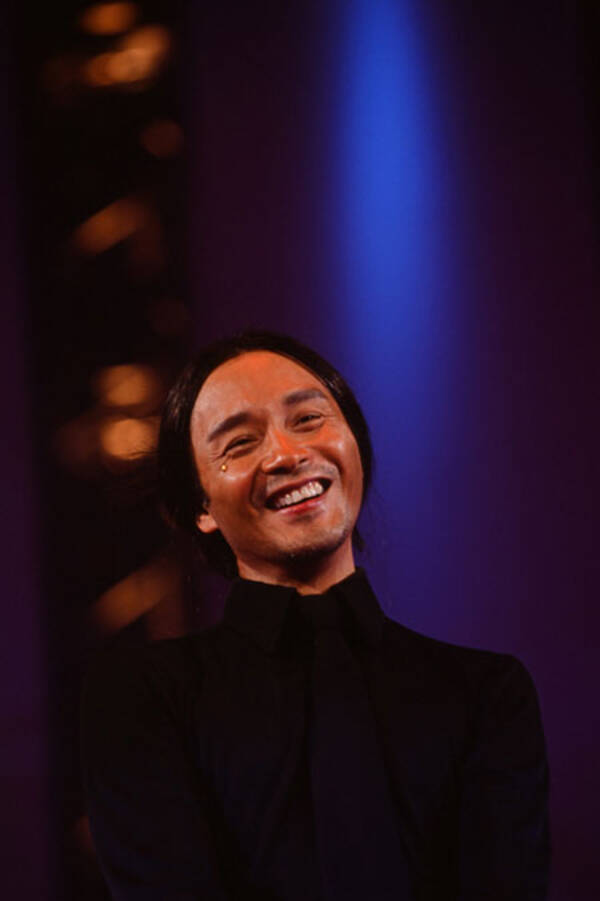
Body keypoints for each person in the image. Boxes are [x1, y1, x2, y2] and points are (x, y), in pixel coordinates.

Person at [81, 331, 551, 900]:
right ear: (201, 506)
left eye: (308, 419)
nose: (286, 454)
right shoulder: (146, 699)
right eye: (240, 443)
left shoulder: (485, 694)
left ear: (354, 443)